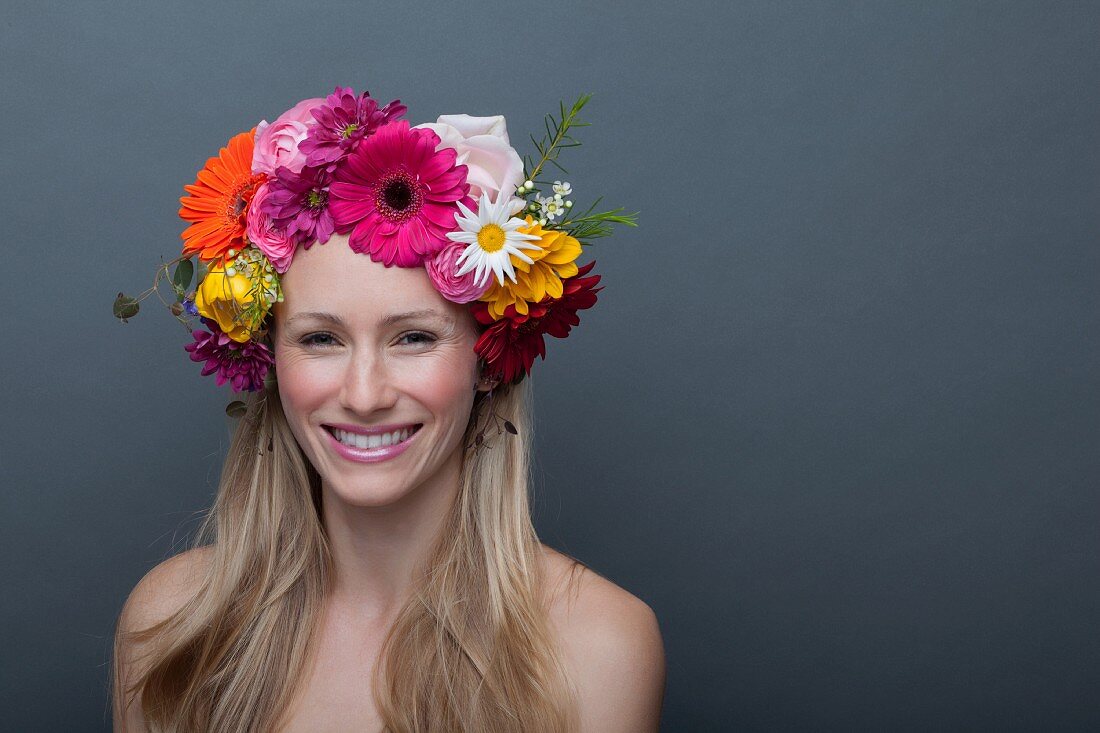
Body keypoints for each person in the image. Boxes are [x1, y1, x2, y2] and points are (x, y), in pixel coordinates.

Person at [110, 87, 665, 732]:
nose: (365, 395)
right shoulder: (173, 622)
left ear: (489, 359)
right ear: (269, 360)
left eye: (415, 339)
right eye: (320, 339)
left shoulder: (600, 647)